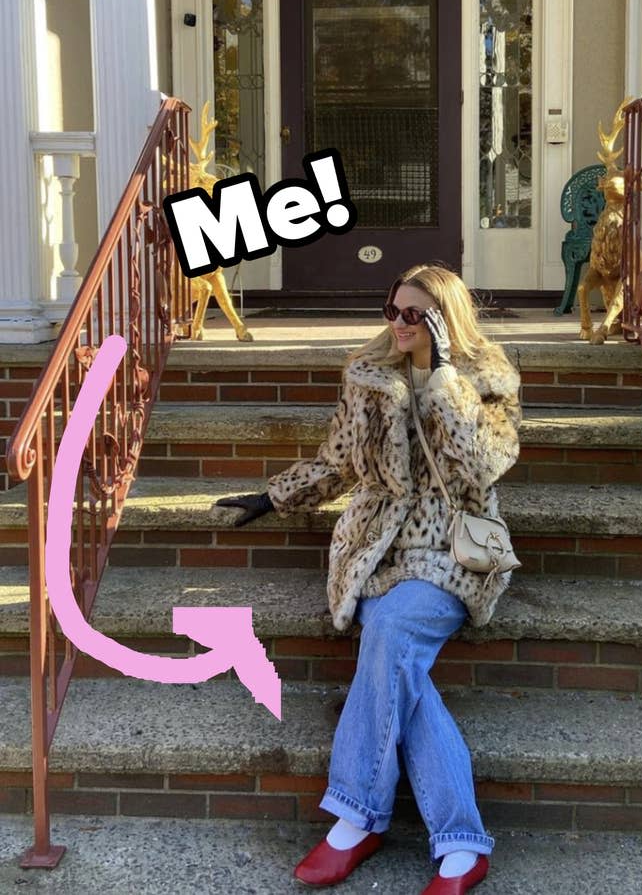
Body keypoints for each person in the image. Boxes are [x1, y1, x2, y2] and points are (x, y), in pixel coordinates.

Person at [215, 263, 521, 894]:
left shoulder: (487, 379)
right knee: (391, 647)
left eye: (416, 315)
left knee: (389, 636)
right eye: (394, 309)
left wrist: (439, 379)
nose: (400, 324)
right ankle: (461, 846)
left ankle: (354, 817)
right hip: (378, 547)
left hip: (450, 548)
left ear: (443, 318)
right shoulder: (367, 375)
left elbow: (480, 469)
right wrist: (274, 498)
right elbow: (338, 462)